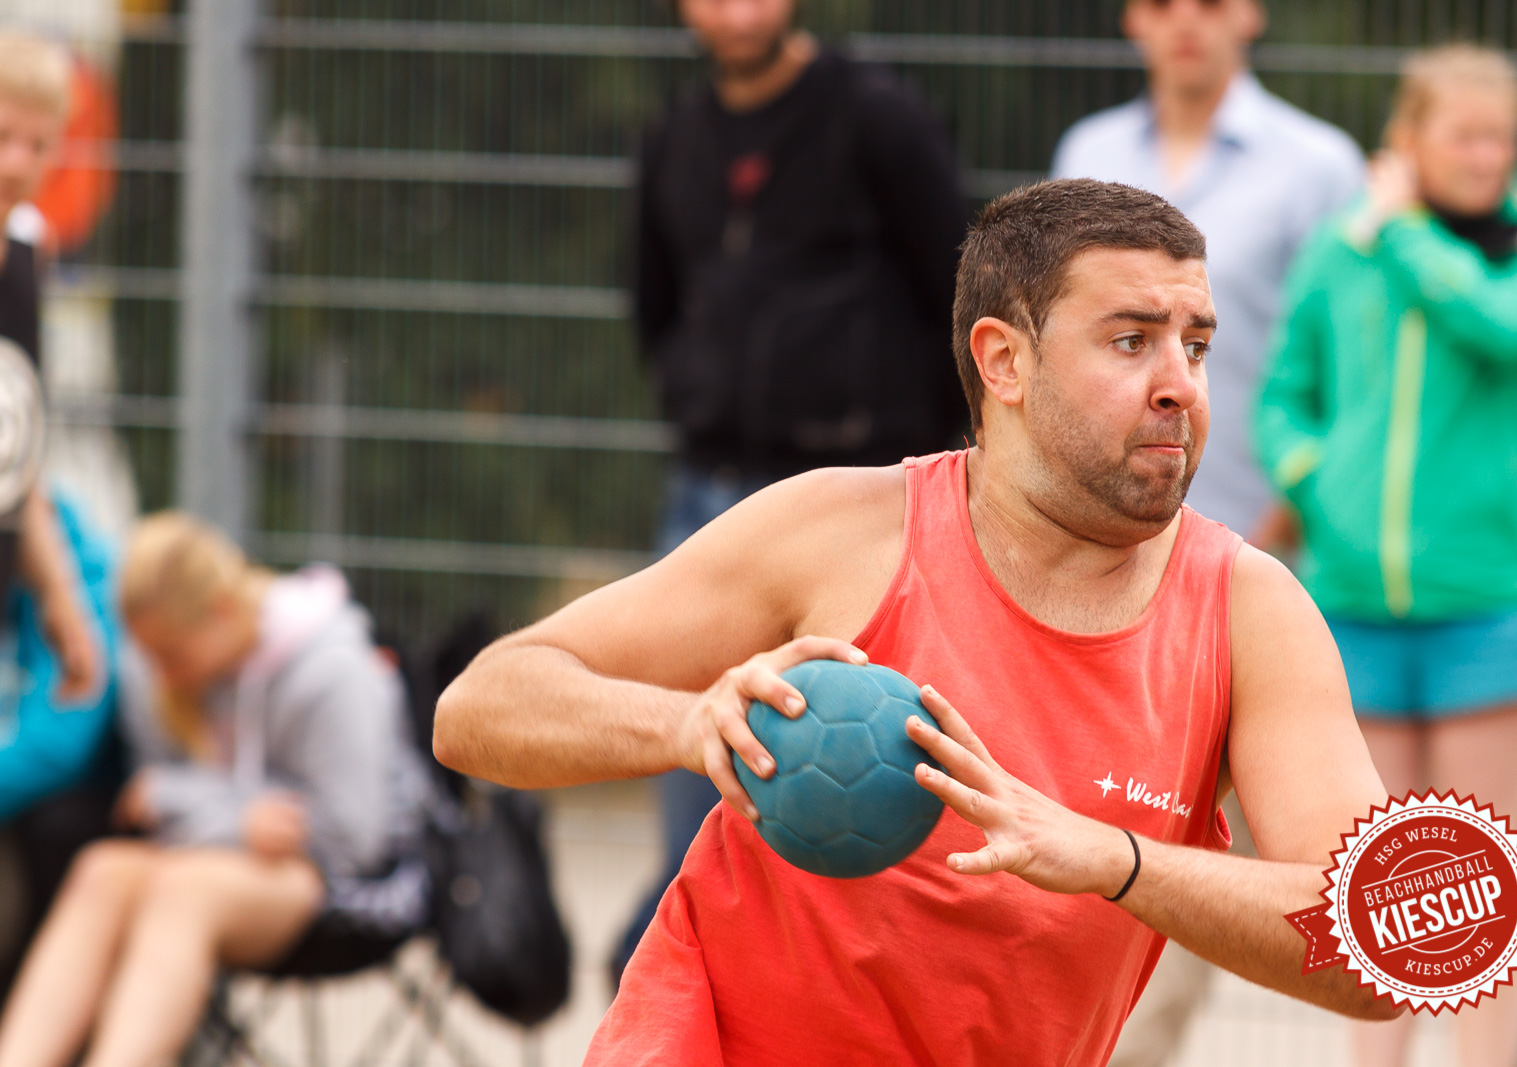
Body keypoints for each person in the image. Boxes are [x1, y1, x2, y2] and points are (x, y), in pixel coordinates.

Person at [434, 178, 1399, 1064]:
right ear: (1003, 361)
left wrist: (1117, 859)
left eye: (1196, 345)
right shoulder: (839, 531)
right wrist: (686, 726)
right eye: (1129, 339)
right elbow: (479, 707)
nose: (1181, 384)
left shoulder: (1246, 611)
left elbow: (1387, 944)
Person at [1254, 45, 1517, 1067]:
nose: (1487, 158)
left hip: (1492, 609)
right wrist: (1315, 477)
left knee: (1482, 886)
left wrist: (1402, 232)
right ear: (1407, 141)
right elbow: (1285, 390)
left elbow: (1512, 325)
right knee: (1382, 887)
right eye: (1464, 137)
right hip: (1352, 609)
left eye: (1500, 139)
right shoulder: (1340, 250)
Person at [621, 0, 970, 978]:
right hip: (709, 495)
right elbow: (654, 303)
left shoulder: (876, 116)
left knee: (855, 805)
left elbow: (962, 284)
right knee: (704, 792)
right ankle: (687, 991)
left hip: (856, 501)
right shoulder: (674, 136)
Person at [0, 512, 433, 1067]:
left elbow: (354, 841)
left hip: (340, 889)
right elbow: (153, 798)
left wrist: (205, 811)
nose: (162, 676)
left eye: (174, 658)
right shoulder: (150, 664)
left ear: (223, 612)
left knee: (182, 892)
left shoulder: (330, 669)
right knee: (102, 870)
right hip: (215, 856)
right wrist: (237, 818)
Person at [1051, 0, 1363, 545]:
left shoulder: (1321, 167)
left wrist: (1297, 511)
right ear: (1133, 18)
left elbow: (1355, 359)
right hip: (1101, 524)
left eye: (1211, 4)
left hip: (1263, 527)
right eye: (1162, 5)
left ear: (1251, 14)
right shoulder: (1086, 151)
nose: (1186, 20)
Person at [0, 30, 120, 998]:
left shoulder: (26, 258)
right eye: (2, 137)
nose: (20, 164)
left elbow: (20, 462)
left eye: (40, 144)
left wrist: (64, 604)